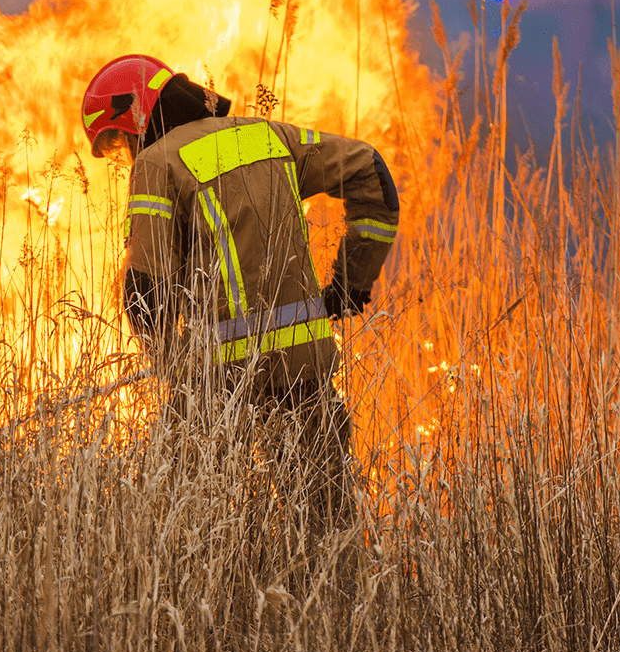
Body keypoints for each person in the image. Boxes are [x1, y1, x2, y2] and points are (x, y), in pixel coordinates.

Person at [80, 53, 400, 529]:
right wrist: (349, 286)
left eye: (119, 142)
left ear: (136, 114)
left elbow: (145, 289)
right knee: (327, 533)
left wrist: (171, 362)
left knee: (188, 536)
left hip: (217, 386)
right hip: (306, 377)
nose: (124, 154)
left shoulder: (157, 162)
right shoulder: (270, 137)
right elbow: (372, 173)